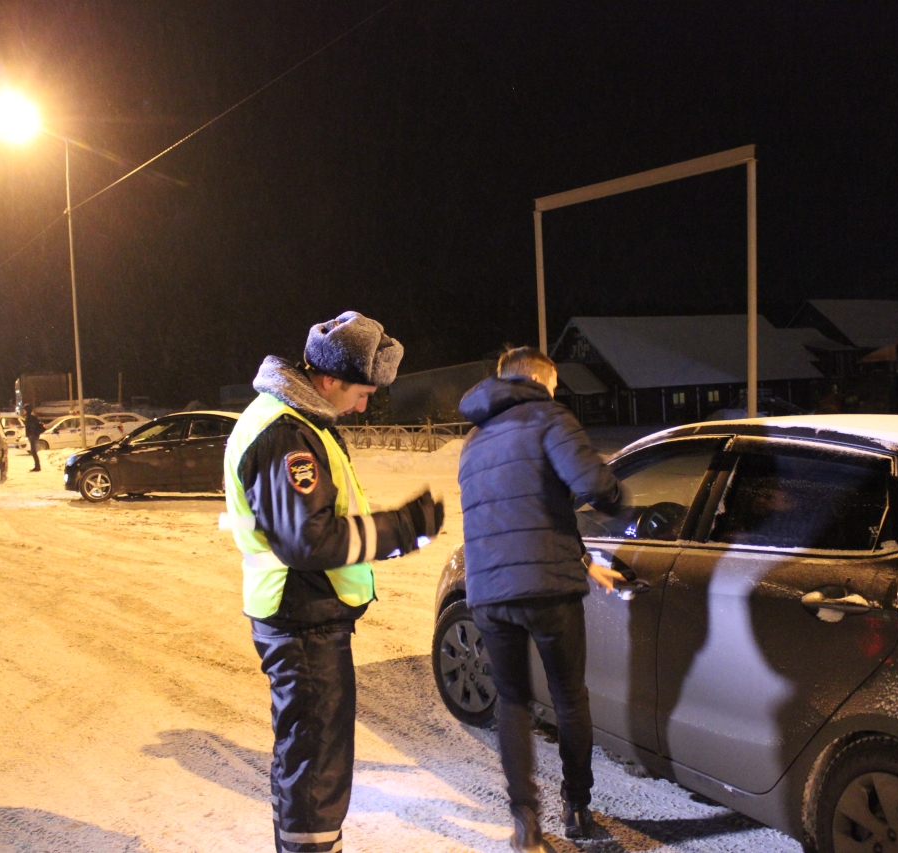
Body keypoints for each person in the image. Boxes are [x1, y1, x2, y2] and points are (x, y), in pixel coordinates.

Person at [222, 311, 444, 853]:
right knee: (315, 761)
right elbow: (309, 542)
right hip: (301, 619)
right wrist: (404, 528)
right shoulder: (286, 434)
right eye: (363, 392)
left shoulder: (300, 420)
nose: (364, 404)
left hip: (307, 616)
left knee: (310, 754)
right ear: (329, 379)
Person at [457, 346, 625, 852]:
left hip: (488, 592)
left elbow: (522, 510)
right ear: (540, 381)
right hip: (547, 590)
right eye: (554, 386)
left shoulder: (473, 438)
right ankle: (577, 811)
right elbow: (592, 483)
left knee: (512, 701)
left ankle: (525, 825)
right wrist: (618, 501)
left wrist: (583, 559)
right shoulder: (549, 415)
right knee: (570, 697)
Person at [23, 405, 45, 472]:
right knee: (33, 451)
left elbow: (32, 427)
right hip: (33, 436)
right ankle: (37, 466)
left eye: (24, 410)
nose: (23, 411)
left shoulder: (30, 418)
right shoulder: (30, 417)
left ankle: (37, 466)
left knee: (34, 451)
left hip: (33, 436)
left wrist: (30, 435)